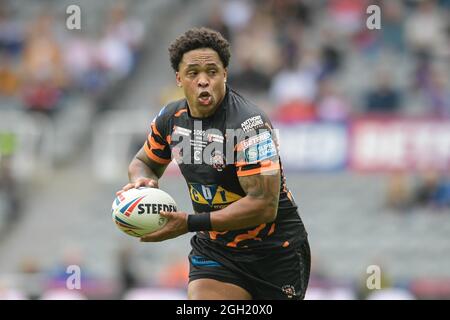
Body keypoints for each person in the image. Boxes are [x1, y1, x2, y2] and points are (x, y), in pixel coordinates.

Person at [117, 27, 310, 300]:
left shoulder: (249, 125)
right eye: (193, 73)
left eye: (212, 72)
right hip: (216, 249)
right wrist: (142, 181)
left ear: (225, 74)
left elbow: (264, 206)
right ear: (179, 78)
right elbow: (142, 162)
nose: (203, 81)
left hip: (275, 251)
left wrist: (190, 222)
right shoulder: (171, 118)